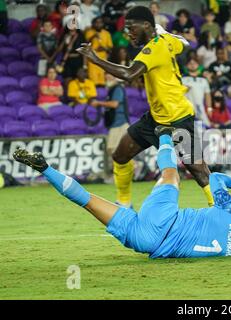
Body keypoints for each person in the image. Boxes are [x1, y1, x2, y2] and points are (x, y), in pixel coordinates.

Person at [12, 128, 231, 258]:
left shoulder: (228, 208)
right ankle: (45, 169)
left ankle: (164, 137)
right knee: (88, 202)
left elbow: (214, 178)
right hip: (146, 243)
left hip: (164, 219)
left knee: (172, 176)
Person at [77, 6, 217, 207]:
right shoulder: (168, 42)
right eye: (126, 29)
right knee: (121, 155)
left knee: (199, 171)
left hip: (177, 117)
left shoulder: (153, 49)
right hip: (156, 117)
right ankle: (123, 204)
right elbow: (184, 43)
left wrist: (95, 59)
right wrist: (166, 33)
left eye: (131, 28)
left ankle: (221, 210)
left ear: (146, 26)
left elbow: (129, 74)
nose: (128, 33)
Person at [90, 73, 129, 174]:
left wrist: (99, 103)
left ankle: (135, 167)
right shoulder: (112, 89)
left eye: (110, 75)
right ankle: (122, 171)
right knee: (114, 149)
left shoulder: (117, 88)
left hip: (120, 123)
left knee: (114, 149)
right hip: (115, 123)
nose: (107, 77)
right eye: (106, 76)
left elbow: (114, 104)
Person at [182, 58, 212, 127]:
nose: (192, 65)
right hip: (187, 109)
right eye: (190, 64)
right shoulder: (182, 79)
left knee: (206, 127)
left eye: (194, 63)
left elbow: (207, 95)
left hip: (200, 108)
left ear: (198, 65)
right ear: (186, 66)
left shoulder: (203, 80)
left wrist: (209, 108)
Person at [85, 17, 113, 86]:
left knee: (102, 83)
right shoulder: (89, 32)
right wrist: (93, 36)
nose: (98, 24)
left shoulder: (107, 34)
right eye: (96, 23)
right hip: (92, 61)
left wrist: (104, 49)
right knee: (93, 83)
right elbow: (85, 44)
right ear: (93, 24)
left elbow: (110, 48)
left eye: (100, 23)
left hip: (103, 61)